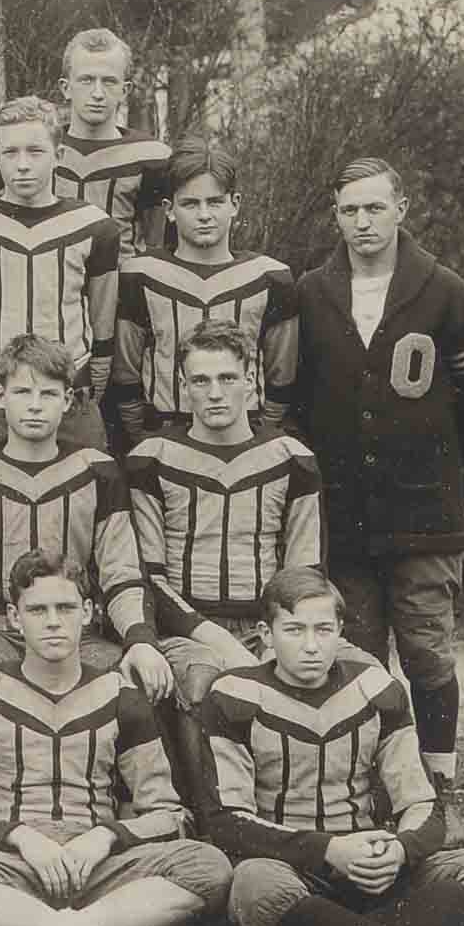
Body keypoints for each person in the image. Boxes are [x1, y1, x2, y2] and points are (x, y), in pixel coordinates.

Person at [199, 567, 464, 926]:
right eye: (294, 630)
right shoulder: (234, 695)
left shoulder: (376, 689)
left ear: (340, 630)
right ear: (266, 633)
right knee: (255, 888)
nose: (312, 646)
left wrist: (399, 850)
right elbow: (227, 820)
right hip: (291, 868)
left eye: (323, 629)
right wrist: (329, 849)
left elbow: (422, 803)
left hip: (371, 865)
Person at [292, 157, 464, 837]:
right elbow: (294, 397)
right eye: (350, 211)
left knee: (426, 649)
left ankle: (437, 777)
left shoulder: (444, 292)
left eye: (375, 208)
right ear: (336, 216)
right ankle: (364, 781)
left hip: (423, 513)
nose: (363, 223)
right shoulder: (312, 292)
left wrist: (434, 464)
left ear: (402, 208)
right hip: (343, 514)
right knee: (354, 649)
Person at [0, 550, 230, 926]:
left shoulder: (121, 694)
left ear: (88, 612)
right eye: (37, 610)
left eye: (65, 608)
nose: (52, 622)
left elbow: (169, 814)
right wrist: (20, 837)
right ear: (13, 617)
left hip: (98, 866)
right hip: (14, 864)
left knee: (209, 866)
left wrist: (104, 838)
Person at [125, 319, 326, 796]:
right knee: (204, 683)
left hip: (270, 627)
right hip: (186, 631)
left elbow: (305, 570)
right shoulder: (151, 458)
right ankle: (215, 821)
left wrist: (283, 637)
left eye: (227, 378)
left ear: (251, 382)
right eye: (200, 380)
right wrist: (218, 639)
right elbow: (148, 577)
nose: (215, 393)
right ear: (182, 387)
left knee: (356, 675)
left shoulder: (290, 458)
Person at [0, 335, 159, 704]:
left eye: (47, 394)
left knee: (135, 685)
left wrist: (140, 641)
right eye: (22, 393)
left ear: (67, 400)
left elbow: (121, 570)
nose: (34, 406)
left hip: (74, 633)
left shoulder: (98, 471)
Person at [0, 96, 118, 455]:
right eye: (10, 153)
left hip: (70, 396)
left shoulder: (93, 226)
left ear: (59, 155)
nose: (23, 165)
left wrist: (94, 375)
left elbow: (102, 315)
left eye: (36, 152)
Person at [112, 136, 297, 439]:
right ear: (169, 210)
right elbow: (126, 371)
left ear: (234, 204)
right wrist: (140, 436)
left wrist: (263, 433)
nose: (204, 215)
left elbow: (282, 374)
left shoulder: (271, 277)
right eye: (190, 204)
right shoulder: (139, 274)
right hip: (164, 432)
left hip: (245, 435)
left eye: (215, 202)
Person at [53, 28, 172, 256]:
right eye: (86, 80)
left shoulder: (152, 157)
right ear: (66, 88)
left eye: (109, 81)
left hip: (122, 287)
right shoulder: (39, 150)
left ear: (124, 90)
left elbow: (161, 247)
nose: (97, 93)